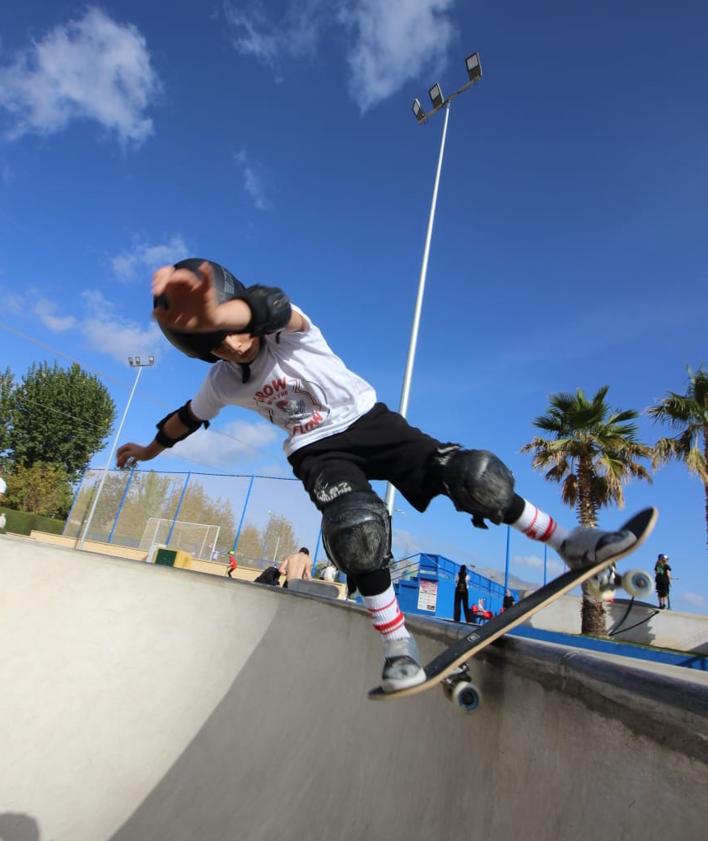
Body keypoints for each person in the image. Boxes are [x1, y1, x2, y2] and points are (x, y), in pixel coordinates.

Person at [115, 258, 641, 692]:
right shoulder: (223, 382)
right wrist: (148, 449)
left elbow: (274, 304)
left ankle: (568, 541)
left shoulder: (286, 331)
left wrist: (222, 310)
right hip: (316, 451)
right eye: (215, 343)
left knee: (476, 476)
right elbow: (186, 418)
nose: (230, 345)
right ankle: (396, 644)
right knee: (356, 529)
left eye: (231, 331)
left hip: (371, 422)